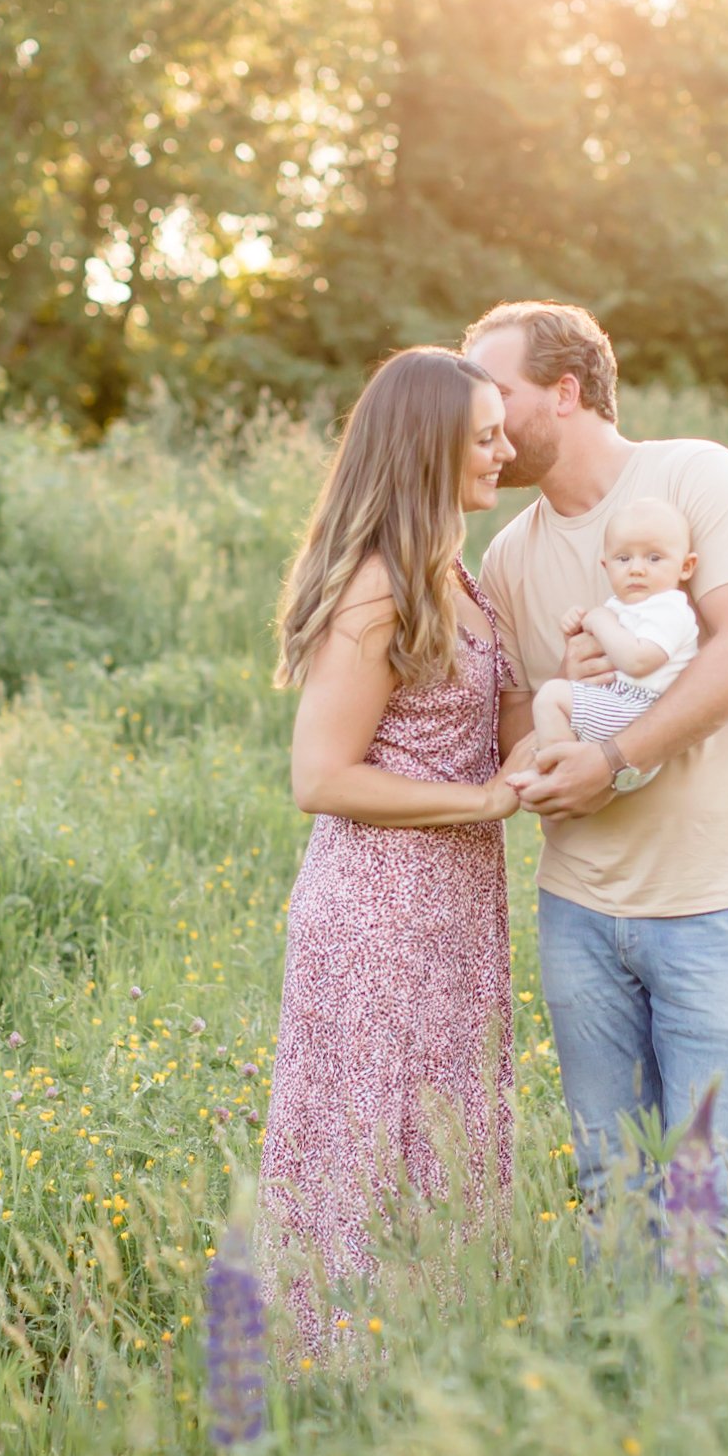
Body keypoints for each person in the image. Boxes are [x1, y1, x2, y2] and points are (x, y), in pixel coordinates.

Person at [468, 301, 728, 1237]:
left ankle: (710, 1386)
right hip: (581, 912)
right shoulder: (507, 556)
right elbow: (511, 730)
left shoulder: (697, 477)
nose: (477, 417)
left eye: (495, 393)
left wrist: (614, 760)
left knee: (714, 1202)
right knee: (610, 1196)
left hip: (720, 903)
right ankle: (621, 1383)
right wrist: (546, 752)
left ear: (565, 393)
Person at [256, 346, 530, 1351]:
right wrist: (481, 799)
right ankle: (341, 1373)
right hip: (380, 908)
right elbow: (321, 777)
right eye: (486, 435)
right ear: (428, 447)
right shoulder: (380, 588)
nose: (507, 449)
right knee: (376, 1136)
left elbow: (500, 742)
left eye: (505, 428)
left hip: (452, 907)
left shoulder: (457, 574)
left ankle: (430, 1357)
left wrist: (577, 678)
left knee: (442, 1128)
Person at [530, 497, 700, 762]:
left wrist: (599, 620)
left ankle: (559, 767)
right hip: (617, 701)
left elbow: (637, 660)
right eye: (623, 558)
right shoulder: (622, 607)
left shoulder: (669, 608)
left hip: (642, 707)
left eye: (654, 558)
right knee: (553, 699)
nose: (636, 569)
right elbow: (601, 653)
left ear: (686, 566)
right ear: (606, 566)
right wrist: (577, 634)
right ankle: (566, 762)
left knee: (551, 697)